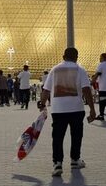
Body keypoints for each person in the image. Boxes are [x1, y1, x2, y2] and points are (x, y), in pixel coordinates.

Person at [39, 48, 96, 177]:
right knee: (76, 135)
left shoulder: (54, 70)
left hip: (58, 110)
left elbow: (46, 90)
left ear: (63, 56)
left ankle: (57, 163)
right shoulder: (80, 69)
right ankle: (75, 160)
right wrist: (92, 109)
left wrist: (42, 104)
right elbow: (86, 90)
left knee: (58, 137)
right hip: (76, 109)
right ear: (77, 56)